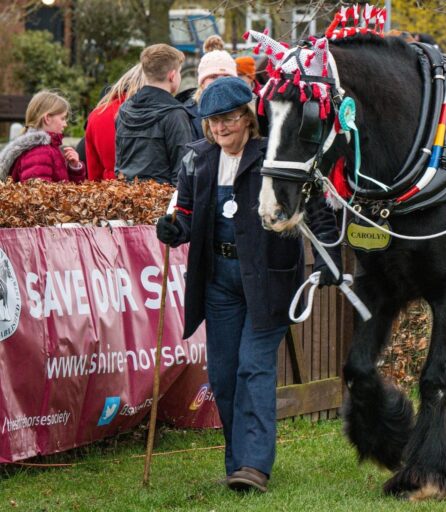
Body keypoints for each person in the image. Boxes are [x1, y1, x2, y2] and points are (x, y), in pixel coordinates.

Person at [154, 77, 341, 492]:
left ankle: (255, 466)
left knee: (253, 367)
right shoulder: (198, 159)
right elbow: (185, 215)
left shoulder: (274, 154)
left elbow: (316, 208)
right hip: (218, 282)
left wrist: (331, 254)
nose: (220, 128)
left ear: (247, 117)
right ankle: (237, 462)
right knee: (223, 375)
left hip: (268, 280)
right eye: (212, 121)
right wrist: (173, 229)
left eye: (228, 119)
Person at [115, 44, 193, 185]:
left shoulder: (125, 109)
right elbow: (183, 171)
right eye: (180, 72)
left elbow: (119, 166)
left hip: (127, 194)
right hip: (162, 196)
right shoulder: (174, 114)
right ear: (172, 76)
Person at [0, 90, 86, 183]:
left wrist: (74, 166)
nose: (65, 124)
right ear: (47, 118)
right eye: (62, 118)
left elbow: (64, 187)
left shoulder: (49, 148)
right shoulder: (40, 152)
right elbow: (38, 191)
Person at [85, 64, 145, 181]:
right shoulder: (150, 110)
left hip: (109, 185)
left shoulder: (98, 113)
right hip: (147, 186)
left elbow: (94, 170)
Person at [182, 35, 238, 139]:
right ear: (202, 83)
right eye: (213, 77)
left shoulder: (245, 110)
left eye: (226, 76)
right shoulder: (188, 115)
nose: (220, 82)